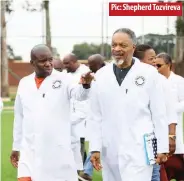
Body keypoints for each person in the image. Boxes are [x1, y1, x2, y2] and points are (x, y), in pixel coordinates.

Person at [89, 28, 169, 181]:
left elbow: (159, 113)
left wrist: (163, 147)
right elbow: (95, 115)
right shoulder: (101, 75)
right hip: (110, 147)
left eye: (122, 45)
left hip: (139, 146)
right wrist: (94, 148)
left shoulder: (149, 73)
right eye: (114, 45)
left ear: (133, 47)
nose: (117, 49)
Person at [10, 44, 93, 181]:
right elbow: (19, 116)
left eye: (50, 59)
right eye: (43, 61)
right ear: (32, 63)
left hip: (56, 149)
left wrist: (85, 85)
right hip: (29, 149)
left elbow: (80, 95)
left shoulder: (64, 79)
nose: (48, 64)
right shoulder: (24, 83)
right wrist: (16, 146)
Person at [133, 44, 177, 181]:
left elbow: (170, 111)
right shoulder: (129, 81)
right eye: (151, 59)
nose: (155, 62)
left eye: (155, 59)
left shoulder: (161, 81)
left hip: (151, 139)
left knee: (153, 174)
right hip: (132, 139)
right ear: (139, 61)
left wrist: (171, 136)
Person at [154, 52, 184, 181]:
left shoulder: (179, 81)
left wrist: (168, 108)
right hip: (157, 133)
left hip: (174, 130)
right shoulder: (154, 81)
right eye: (154, 65)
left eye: (159, 65)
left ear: (168, 65)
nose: (156, 68)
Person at [79, 54, 106, 181]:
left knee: (99, 145)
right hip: (93, 119)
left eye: (92, 64)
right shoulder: (93, 77)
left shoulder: (107, 77)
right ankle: (87, 172)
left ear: (100, 64)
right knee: (95, 145)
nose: (89, 67)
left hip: (107, 120)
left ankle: (87, 172)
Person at [63, 53, 90, 164]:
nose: (65, 66)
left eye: (67, 63)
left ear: (75, 62)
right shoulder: (65, 74)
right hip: (70, 114)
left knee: (80, 141)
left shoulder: (86, 72)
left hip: (84, 114)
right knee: (71, 142)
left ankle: (82, 170)